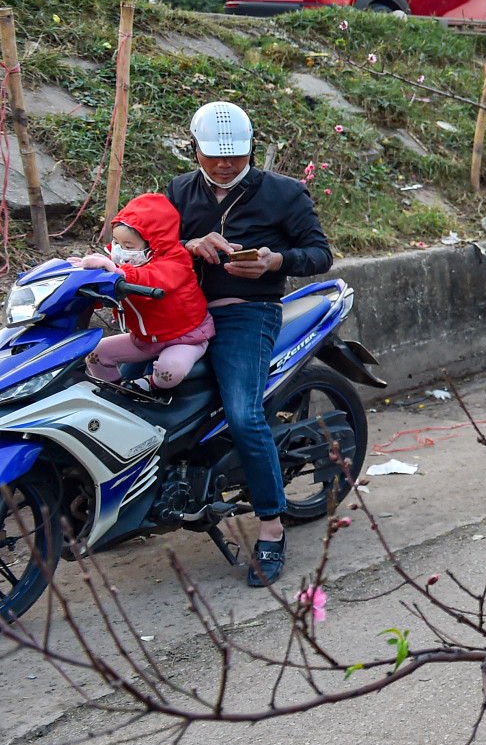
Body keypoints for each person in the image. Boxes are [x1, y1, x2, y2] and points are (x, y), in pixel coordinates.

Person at [167, 102, 332, 588]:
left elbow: (320, 253)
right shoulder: (179, 190)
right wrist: (189, 247)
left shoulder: (283, 193)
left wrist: (274, 261)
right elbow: (153, 248)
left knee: (244, 413)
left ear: (250, 148)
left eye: (234, 155)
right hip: (184, 313)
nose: (223, 164)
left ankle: (271, 526)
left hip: (247, 313)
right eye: (214, 155)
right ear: (193, 146)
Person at [78, 193, 214, 399]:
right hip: (144, 339)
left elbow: (151, 279)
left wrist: (116, 272)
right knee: (96, 354)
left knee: (169, 371)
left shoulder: (176, 261)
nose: (120, 250)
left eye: (128, 246)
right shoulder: (122, 262)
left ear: (154, 243)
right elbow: (104, 288)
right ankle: (114, 394)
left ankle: (148, 385)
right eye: (116, 242)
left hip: (186, 337)